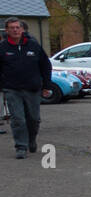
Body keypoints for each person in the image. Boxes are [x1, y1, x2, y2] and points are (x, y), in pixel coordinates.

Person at [1, 16, 53, 158]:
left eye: (18, 27)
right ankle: (21, 147)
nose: (15, 30)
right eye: (12, 28)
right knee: (18, 119)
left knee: (34, 119)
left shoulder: (33, 45)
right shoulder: (3, 48)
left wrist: (46, 85)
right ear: (7, 30)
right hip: (12, 89)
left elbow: (45, 65)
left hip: (32, 89)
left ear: (22, 29)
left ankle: (31, 140)